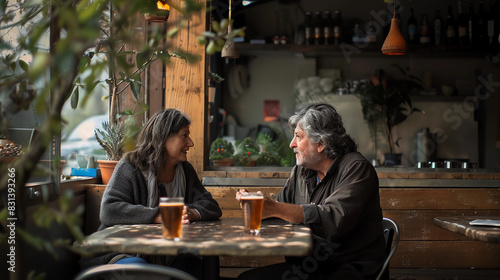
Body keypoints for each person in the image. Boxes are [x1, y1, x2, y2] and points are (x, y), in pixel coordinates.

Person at [236, 103, 386, 280]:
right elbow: (281, 211)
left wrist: (275, 208)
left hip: (349, 268)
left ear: (321, 143)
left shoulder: (357, 169)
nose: (292, 144)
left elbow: (334, 219)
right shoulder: (301, 171)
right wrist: (259, 206)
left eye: (298, 137)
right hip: (309, 267)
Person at [80, 108, 222, 278]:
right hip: (121, 252)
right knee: (141, 270)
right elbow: (110, 210)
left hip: (168, 254)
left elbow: (211, 206)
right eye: (185, 135)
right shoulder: (130, 166)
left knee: (195, 267)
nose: (190, 143)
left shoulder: (185, 171)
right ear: (165, 137)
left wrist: (190, 212)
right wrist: (159, 216)